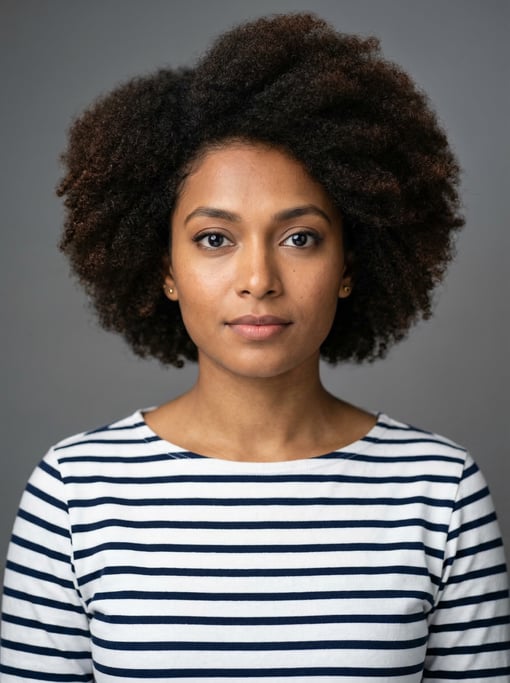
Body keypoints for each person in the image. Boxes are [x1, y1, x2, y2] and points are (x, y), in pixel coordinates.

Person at [1, 12, 508, 682]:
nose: (259, 280)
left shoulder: (440, 493)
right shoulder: (75, 492)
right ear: (165, 269)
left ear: (351, 264)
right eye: (215, 238)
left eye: (300, 237)